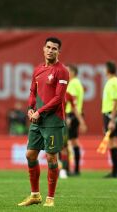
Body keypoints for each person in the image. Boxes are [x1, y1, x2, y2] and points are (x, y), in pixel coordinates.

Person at [18, 37, 69, 207]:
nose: (50, 50)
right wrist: (31, 108)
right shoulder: (37, 70)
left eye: (54, 48)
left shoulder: (62, 71)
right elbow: (33, 91)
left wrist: (39, 111)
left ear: (58, 52)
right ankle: (35, 195)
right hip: (37, 120)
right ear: (43, 48)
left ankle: (50, 198)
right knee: (30, 155)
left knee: (51, 157)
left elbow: (58, 98)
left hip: (53, 121)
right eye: (48, 47)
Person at [102, 61, 117, 178]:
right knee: (114, 142)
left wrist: (112, 119)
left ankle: (116, 171)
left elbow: (115, 101)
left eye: (104, 68)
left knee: (112, 143)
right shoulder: (116, 82)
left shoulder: (113, 82)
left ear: (108, 69)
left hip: (111, 115)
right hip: (113, 115)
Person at [65, 65, 87, 176]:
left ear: (73, 72)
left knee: (67, 142)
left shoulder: (73, 84)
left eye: (68, 71)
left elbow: (72, 101)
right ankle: (76, 169)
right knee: (74, 141)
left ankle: (67, 168)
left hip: (72, 114)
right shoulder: (78, 83)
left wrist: (70, 117)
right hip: (76, 114)